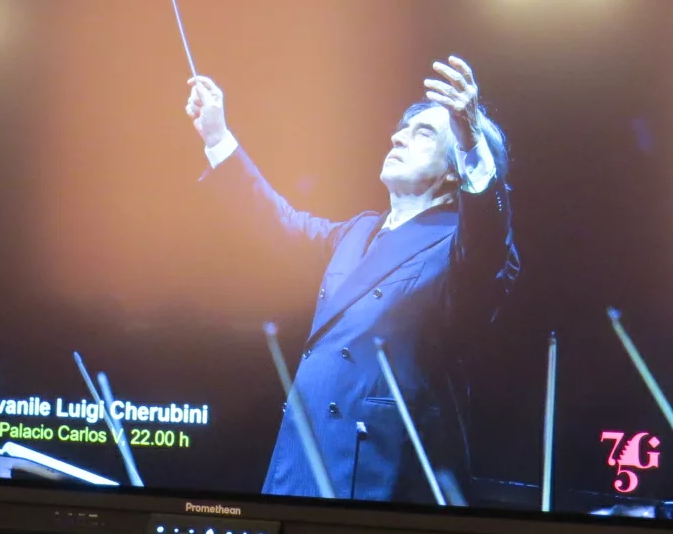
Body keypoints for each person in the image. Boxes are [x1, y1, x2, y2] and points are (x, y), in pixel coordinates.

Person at [185, 57, 519, 505]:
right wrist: (217, 138)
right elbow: (279, 225)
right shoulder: (359, 231)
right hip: (303, 458)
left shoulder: (463, 247)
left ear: (455, 169)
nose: (398, 137)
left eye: (423, 133)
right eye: (402, 129)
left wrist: (472, 139)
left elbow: (487, 237)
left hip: (377, 472)